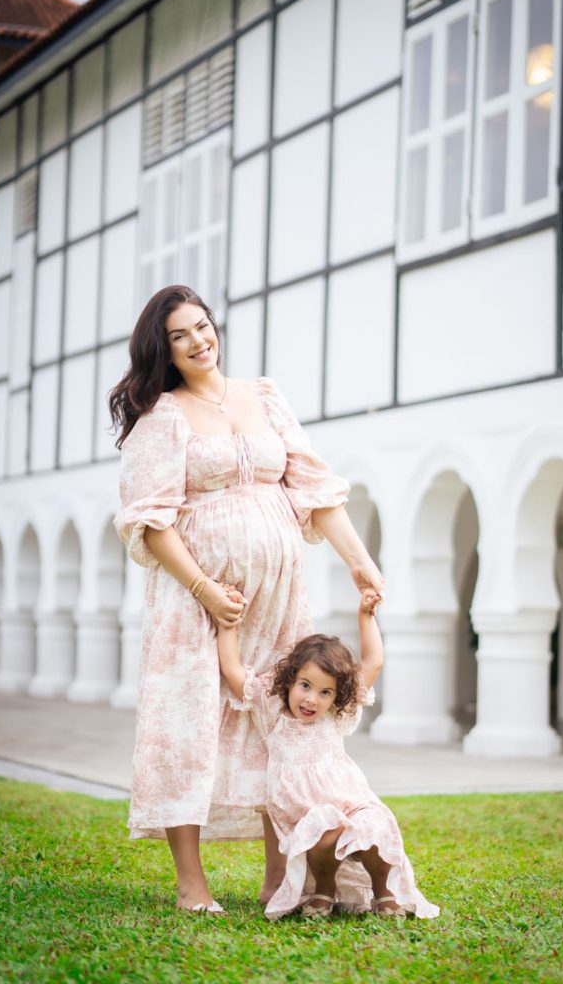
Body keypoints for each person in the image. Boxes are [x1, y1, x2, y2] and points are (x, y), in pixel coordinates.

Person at [109, 285, 384, 914]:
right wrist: (205, 589)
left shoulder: (263, 396)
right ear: (164, 349)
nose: (197, 341)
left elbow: (312, 486)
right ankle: (191, 884)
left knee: (277, 721)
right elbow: (150, 519)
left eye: (202, 326)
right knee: (188, 721)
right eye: (179, 335)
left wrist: (360, 561)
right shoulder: (162, 415)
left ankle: (277, 876)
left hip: (280, 594)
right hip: (195, 597)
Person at [216, 585, 440, 920]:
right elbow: (233, 670)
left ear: (336, 697)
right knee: (324, 829)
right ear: (291, 680)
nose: (311, 700)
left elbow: (374, 661)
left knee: (374, 827)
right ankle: (324, 888)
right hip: (305, 813)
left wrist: (365, 616)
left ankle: (384, 892)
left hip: (350, 800)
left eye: (325, 692)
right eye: (305, 686)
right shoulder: (273, 712)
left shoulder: (335, 715)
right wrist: (227, 624)